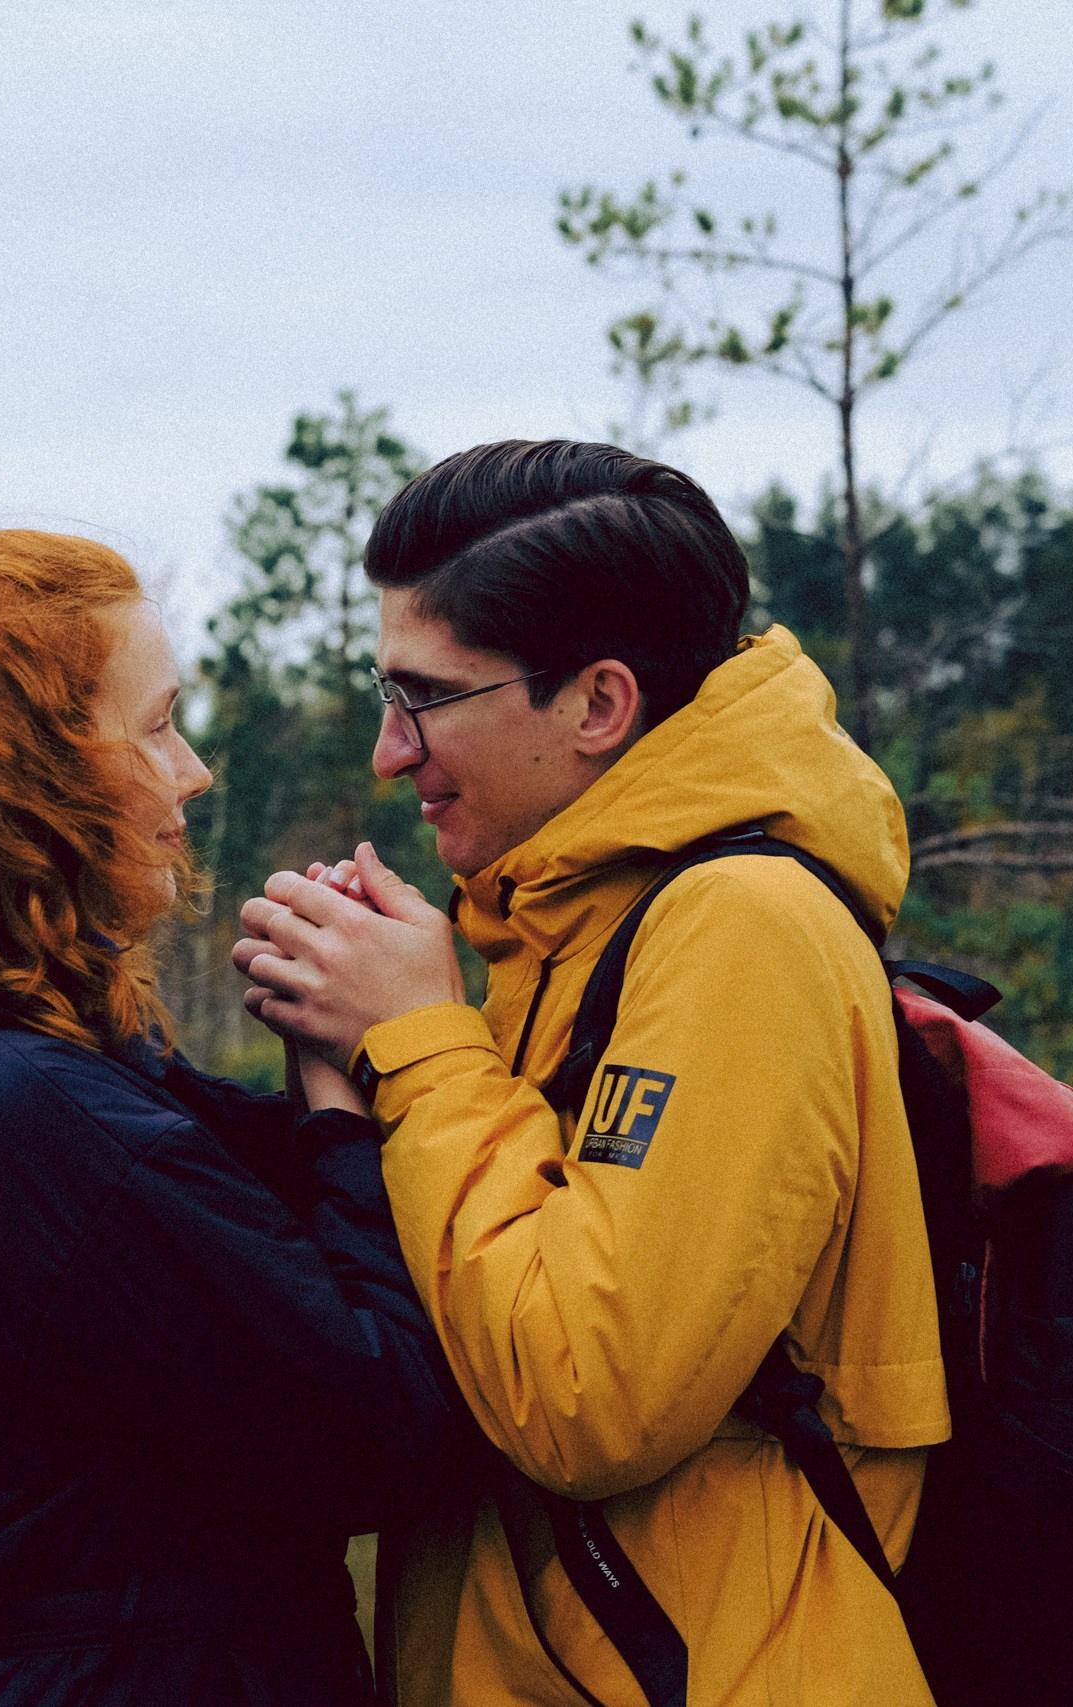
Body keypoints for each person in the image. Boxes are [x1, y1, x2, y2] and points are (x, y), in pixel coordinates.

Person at [234, 442, 947, 1707]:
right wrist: (344, 1088)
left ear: (598, 705)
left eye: (424, 698)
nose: (388, 752)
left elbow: (586, 1397)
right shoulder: (554, 928)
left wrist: (418, 1041)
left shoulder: (740, 929)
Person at [0, 529, 471, 1707]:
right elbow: (381, 1429)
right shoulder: (21, 1117)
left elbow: (265, 1226)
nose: (192, 770)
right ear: (18, 776)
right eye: (154, 725)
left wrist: (337, 1056)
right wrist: (386, 1063)